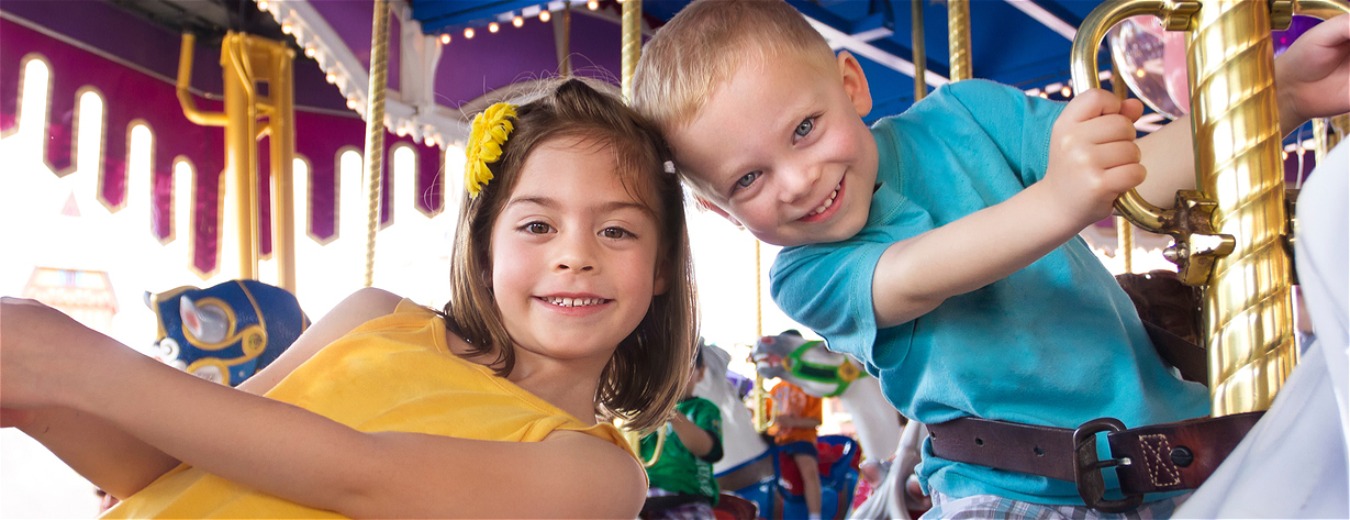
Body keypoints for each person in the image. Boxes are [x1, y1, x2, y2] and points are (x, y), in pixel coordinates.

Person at [631, 0, 1350, 515]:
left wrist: (1281, 92)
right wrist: (1059, 200)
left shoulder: (967, 116)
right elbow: (922, 273)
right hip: (1008, 495)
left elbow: (1130, 176)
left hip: (1177, 447)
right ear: (722, 213)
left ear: (851, 85)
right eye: (748, 181)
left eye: (805, 129)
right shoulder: (805, 273)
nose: (795, 182)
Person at [0, 77, 698, 518]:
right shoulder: (374, 318)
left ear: (662, 266)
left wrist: (76, 363)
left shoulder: (596, 477)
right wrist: (38, 397)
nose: (575, 255)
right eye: (538, 226)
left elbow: (360, 476)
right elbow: (165, 463)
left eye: (616, 230)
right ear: (485, 247)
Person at [640, 342, 725, 519]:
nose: (672, 375)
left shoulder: (703, 408)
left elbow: (708, 449)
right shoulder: (642, 412)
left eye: (683, 366)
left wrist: (670, 412)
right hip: (645, 496)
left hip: (688, 498)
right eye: (665, 368)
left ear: (700, 372)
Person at [767, 376, 823, 519]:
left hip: (801, 438)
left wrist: (791, 421)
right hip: (777, 440)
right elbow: (766, 419)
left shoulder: (809, 387)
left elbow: (816, 421)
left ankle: (815, 515)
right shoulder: (774, 390)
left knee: (809, 471)